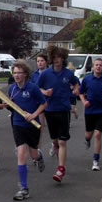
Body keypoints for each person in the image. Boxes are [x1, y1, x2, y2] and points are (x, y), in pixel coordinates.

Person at [38, 46, 79, 183]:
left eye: (59, 57)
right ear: (51, 58)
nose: (57, 60)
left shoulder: (68, 74)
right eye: (54, 57)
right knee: (55, 140)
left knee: (62, 141)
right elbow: (37, 88)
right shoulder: (45, 74)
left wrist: (76, 90)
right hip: (50, 110)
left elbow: (76, 82)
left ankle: (61, 169)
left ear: (63, 59)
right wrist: (45, 93)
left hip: (63, 110)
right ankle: (55, 148)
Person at [8, 60, 47, 201]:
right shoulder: (11, 88)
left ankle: (39, 157)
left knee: (33, 154)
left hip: (32, 125)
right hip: (18, 124)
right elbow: (11, 106)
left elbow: (44, 103)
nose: (17, 75)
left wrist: (34, 115)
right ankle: (23, 188)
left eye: (19, 72)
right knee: (21, 153)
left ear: (25, 74)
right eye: (15, 72)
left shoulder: (33, 88)